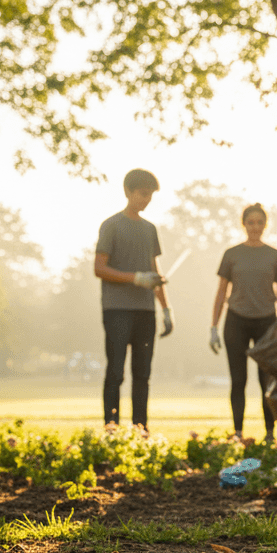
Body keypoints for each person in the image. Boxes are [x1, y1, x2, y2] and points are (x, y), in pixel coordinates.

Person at [93, 168, 173, 430]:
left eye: (150, 195)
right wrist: (135, 278)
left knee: (143, 375)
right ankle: (111, 427)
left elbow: (154, 269)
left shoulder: (150, 229)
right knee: (116, 371)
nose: (146, 200)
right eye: (142, 194)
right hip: (117, 309)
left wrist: (166, 308)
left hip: (145, 311)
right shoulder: (111, 225)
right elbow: (99, 268)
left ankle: (141, 430)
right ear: (128, 192)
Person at [209, 204, 277, 442]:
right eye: (250, 222)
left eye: (259, 222)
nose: (255, 227)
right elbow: (221, 293)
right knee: (238, 380)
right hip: (236, 321)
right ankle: (238, 432)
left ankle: (269, 433)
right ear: (243, 224)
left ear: (265, 225)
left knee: (267, 381)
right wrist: (213, 326)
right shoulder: (232, 254)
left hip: (266, 322)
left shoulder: (275, 256)